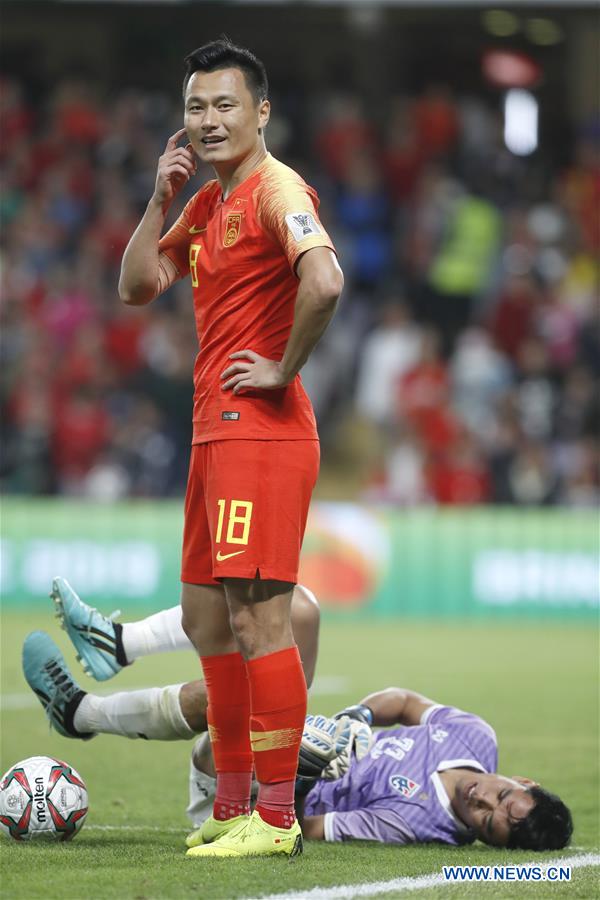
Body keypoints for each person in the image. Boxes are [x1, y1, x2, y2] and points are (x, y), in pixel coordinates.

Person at [117, 38, 342, 859]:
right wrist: (157, 201)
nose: (208, 121)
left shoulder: (279, 189)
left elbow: (325, 279)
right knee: (210, 621)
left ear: (261, 112)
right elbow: (137, 285)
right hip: (214, 431)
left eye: (224, 106)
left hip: (263, 432)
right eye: (196, 108)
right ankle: (232, 804)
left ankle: (276, 820)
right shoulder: (211, 202)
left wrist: (284, 367)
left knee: (260, 621)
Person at [22, 578, 320, 831]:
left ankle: (81, 711)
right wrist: (355, 716)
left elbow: (319, 826)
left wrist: (318, 768)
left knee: (238, 694)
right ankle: (119, 643)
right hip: (274, 759)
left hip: (263, 792)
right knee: (298, 609)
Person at [296, 688, 573, 852]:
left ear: (484, 840)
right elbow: (403, 701)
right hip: (306, 734)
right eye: (502, 796)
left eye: (487, 822)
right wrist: (357, 717)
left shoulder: (415, 824)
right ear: (523, 781)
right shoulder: (476, 736)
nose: (481, 799)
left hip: (274, 790)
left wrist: (302, 780)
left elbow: (310, 828)